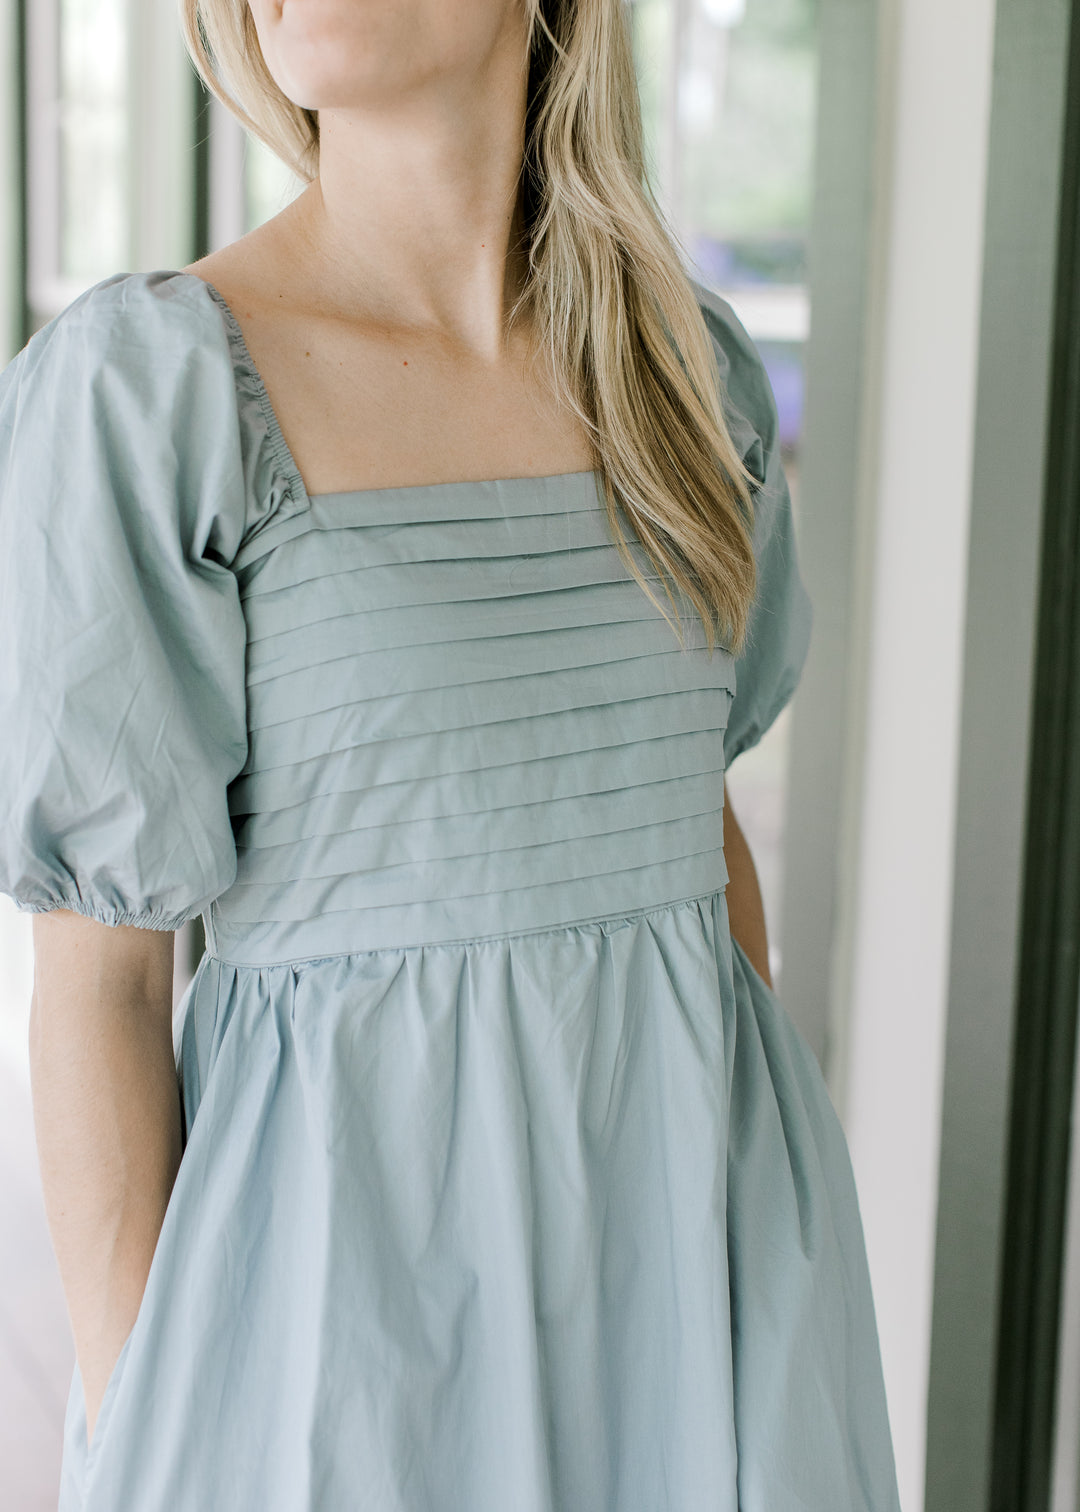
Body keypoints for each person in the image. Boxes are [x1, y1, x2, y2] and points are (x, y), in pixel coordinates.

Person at [0, 1, 902, 1507]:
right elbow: (101, 983)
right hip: (335, 1341)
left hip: (700, 1296)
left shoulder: (688, 379)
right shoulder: (152, 395)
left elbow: (705, 838)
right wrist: (160, 1414)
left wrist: (752, 1257)